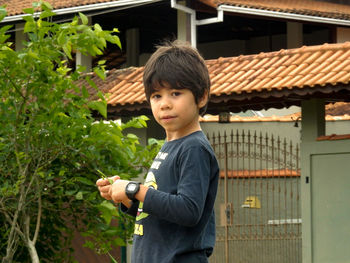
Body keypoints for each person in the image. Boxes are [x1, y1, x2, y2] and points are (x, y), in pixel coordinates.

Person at [96, 40, 219, 263]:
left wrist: (134, 189)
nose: (164, 104)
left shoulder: (194, 148)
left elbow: (188, 211)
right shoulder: (170, 146)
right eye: (156, 96)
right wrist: (124, 197)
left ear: (201, 97)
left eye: (175, 93)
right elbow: (157, 212)